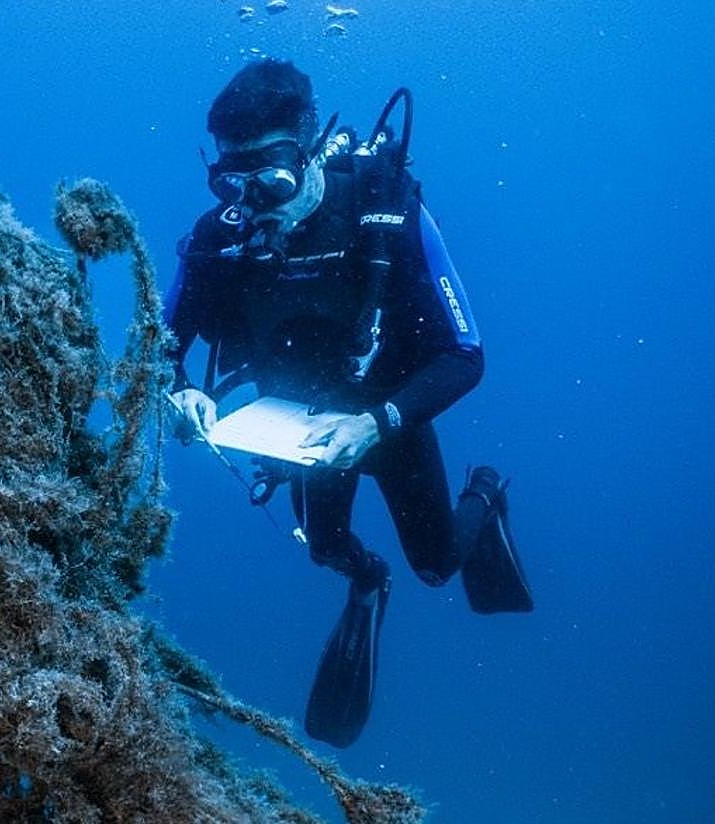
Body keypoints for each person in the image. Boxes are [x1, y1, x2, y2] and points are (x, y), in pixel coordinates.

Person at [164, 60, 533, 749]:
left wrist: (377, 422)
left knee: (437, 564)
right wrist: (180, 390)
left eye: (269, 174)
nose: (253, 199)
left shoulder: (384, 210)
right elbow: (159, 343)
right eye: (230, 180)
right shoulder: (220, 238)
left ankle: (486, 492)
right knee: (326, 548)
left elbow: (466, 354)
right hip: (297, 428)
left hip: (388, 417)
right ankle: (368, 582)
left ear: (306, 148)